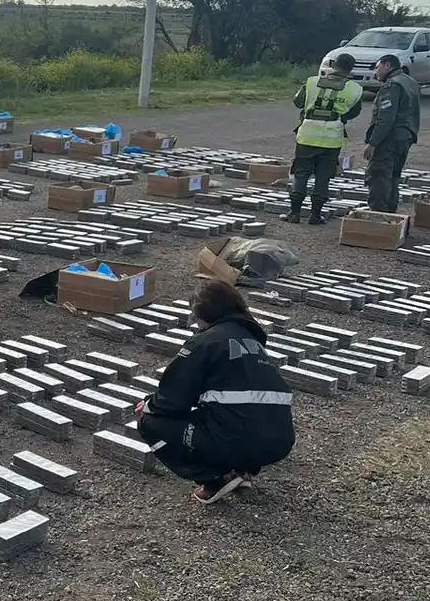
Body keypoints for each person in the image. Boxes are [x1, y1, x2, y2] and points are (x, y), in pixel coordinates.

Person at [136, 280, 296, 505]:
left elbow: (173, 399)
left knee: (150, 422)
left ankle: (216, 479)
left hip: (239, 439)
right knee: (224, 412)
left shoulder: (205, 341)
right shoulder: (252, 341)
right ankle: (242, 469)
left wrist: (149, 404)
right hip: (279, 442)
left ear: (203, 314)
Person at [287, 52, 362, 225]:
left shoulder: (312, 82)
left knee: (301, 173)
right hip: (332, 138)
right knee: (323, 176)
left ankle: (295, 213)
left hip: (307, 136)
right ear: (350, 69)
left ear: (334, 65)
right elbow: (353, 113)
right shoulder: (355, 89)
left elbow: (297, 102)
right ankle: (315, 215)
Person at [364, 53, 420, 213]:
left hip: (390, 138)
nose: (376, 73)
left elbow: (386, 118)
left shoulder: (392, 85)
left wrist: (373, 143)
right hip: (406, 137)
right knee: (393, 177)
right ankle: (390, 215)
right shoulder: (410, 82)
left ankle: (378, 216)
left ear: (387, 65)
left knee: (379, 176)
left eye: (377, 67)